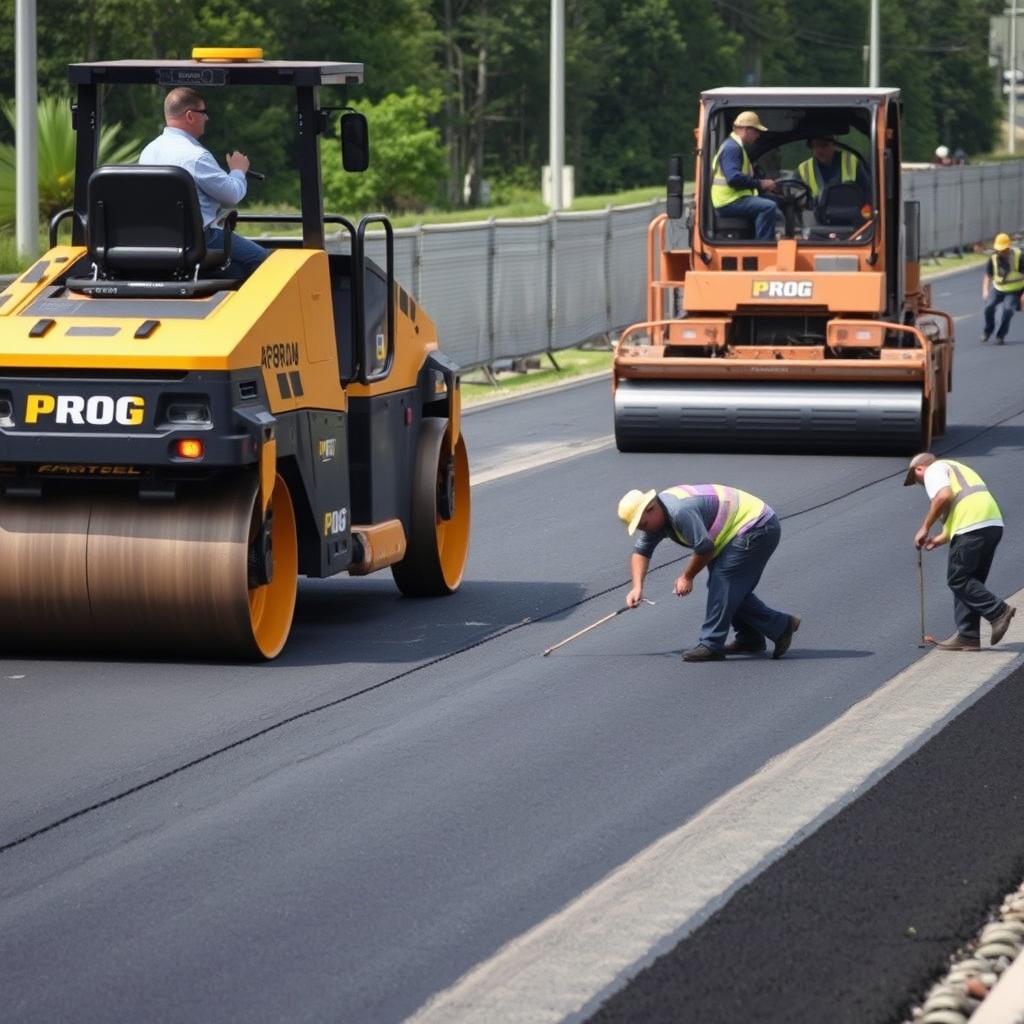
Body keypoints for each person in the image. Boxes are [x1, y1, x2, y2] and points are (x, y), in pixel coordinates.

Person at [617, 484, 800, 662]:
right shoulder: (657, 516)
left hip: (757, 526)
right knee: (730, 589)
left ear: (650, 508)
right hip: (737, 532)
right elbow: (641, 551)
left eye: (643, 525)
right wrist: (637, 588)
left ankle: (711, 645)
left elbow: (705, 548)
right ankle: (753, 637)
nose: (644, 530)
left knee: (723, 582)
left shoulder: (679, 512)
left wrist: (687, 577)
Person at [139, 87, 268, 280]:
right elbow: (232, 194)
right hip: (199, 239)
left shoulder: (148, 151)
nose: (207, 118)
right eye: (204, 112)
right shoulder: (196, 157)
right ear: (190, 116)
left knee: (238, 272)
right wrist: (238, 170)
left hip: (160, 240)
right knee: (265, 263)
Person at [904, 452, 1015, 651]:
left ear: (919, 469)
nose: (920, 484)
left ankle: (998, 611)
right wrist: (941, 538)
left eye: (916, 479)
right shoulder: (960, 470)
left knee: (958, 580)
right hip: (991, 524)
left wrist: (925, 527)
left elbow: (944, 496)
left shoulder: (934, 469)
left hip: (971, 526)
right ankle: (968, 636)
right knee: (970, 581)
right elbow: (962, 503)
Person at [710, 110, 780, 241]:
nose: (758, 136)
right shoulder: (732, 148)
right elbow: (733, 179)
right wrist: (761, 183)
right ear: (746, 130)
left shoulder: (734, 146)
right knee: (768, 207)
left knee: (777, 201)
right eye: (756, 131)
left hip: (734, 197)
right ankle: (764, 246)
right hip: (728, 201)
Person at [796, 136, 870, 209]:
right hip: (815, 219)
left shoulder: (851, 161)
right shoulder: (803, 169)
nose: (819, 150)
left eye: (824, 145)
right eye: (815, 145)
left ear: (834, 145)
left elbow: (868, 194)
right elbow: (796, 199)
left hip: (850, 217)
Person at [981, 232, 1024, 344]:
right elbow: (988, 275)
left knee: (1008, 310)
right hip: (998, 289)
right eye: (1000, 249)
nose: (1002, 252)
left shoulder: (1019, 257)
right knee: (988, 307)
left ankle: (1001, 335)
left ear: (1008, 247)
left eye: (1004, 249)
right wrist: (985, 290)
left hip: (1014, 291)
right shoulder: (993, 258)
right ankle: (988, 330)